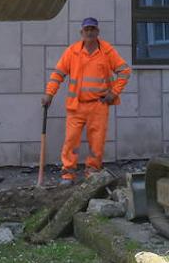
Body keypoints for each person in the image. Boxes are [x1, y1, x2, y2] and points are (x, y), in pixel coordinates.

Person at [41, 18, 131, 184]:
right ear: (81, 33)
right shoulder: (72, 52)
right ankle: (68, 174)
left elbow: (124, 71)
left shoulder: (107, 51)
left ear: (97, 32)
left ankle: (92, 173)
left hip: (99, 106)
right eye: (86, 29)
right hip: (76, 106)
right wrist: (49, 94)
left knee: (97, 143)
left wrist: (114, 92)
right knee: (70, 141)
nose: (89, 32)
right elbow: (58, 75)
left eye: (92, 29)